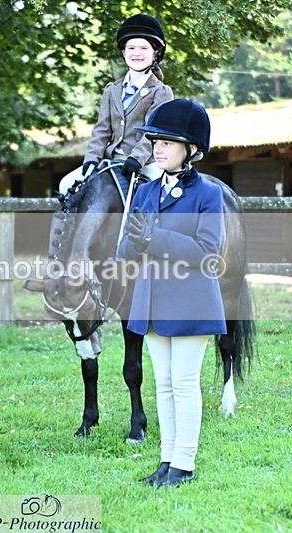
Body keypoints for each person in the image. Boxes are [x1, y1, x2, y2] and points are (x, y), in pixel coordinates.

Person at [117, 99, 226, 487]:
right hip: (152, 300)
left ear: (191, 149)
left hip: (191, 299)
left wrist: (154, 237)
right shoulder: (144, 193)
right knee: (162, 383)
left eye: (167, 142)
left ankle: (185, 463)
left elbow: (207, 251)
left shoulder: (208, 194)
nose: (157, 148)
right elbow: (128, 250)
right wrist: (131, 239)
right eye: (155, 142)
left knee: (183, 382)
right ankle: (166, 461)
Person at [58, 13, 173, 195]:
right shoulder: (112, 89)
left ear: (155, 53)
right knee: (66, 185)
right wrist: (91, 159)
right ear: (123, 52)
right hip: (110, 160)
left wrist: (137, 158)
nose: (137, 53)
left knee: (163, 194)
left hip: (145, 162)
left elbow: (154, 132)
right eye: (131, 48)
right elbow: (102, 129)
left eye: (144, 48)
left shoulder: (161, 92)